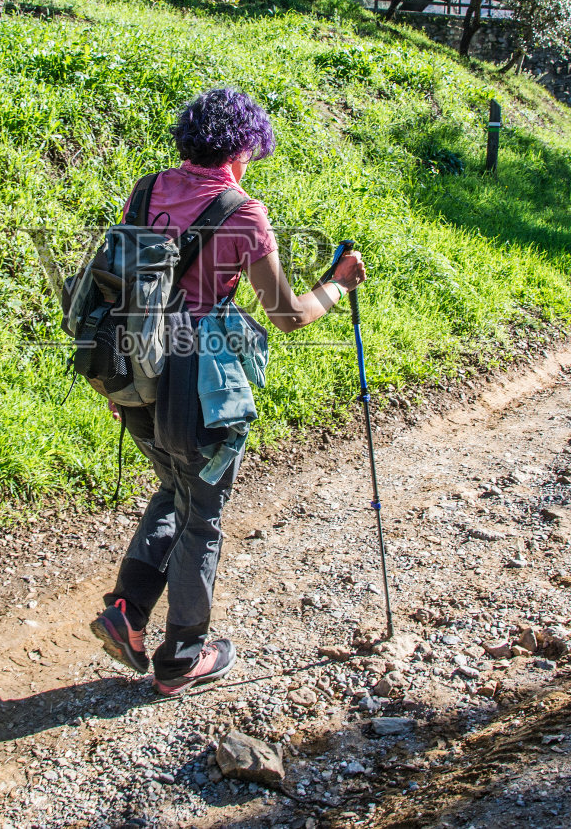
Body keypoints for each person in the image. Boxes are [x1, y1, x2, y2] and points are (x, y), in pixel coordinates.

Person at [89, 87, 367, 695]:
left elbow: (123, 285)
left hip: (134, 368)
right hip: (198, 379)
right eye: (252, 153)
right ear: (242, 148)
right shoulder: (242, 211)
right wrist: (339, 284)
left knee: (175, 488)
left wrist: (120, 384)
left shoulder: (147, 189)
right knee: (203, 516)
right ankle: (181, 657)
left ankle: (128, 612)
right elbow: (288, 316)